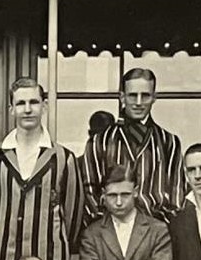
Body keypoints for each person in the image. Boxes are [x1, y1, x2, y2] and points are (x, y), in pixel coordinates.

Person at [0, 77, 85, 260]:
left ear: (44, 106)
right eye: (21, 103)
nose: (27, 109)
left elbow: (73, 214)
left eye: (34, 102)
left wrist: (51, 241)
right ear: (11, 109)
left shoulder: (63, 157)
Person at [81, 66, 188, 223]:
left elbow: (177, 193)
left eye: (145, 96)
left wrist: (159, 227)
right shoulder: (100, 141)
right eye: (132, 95)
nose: (139, 102)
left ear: (154, 97)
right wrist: (105, 227)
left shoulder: (168, 142)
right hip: (110, 233)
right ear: (122, 97)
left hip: (156, 233)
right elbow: (89, 191)